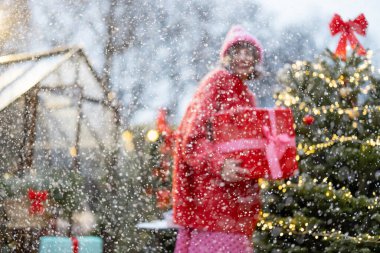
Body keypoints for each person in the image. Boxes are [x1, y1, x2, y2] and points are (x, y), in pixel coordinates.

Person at [172, 25, 263, 253]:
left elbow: (248, 147)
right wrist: (219, 164)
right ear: (227, 56)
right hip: (213, 201)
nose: (243, 57)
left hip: (239, 204)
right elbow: (191, 139)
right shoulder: (217, 82)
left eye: (249, 52)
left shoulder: (247, 95)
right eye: (238, 51)